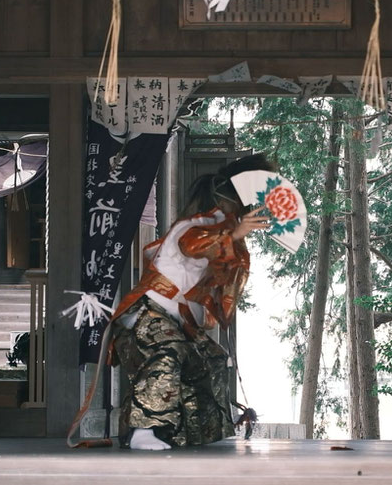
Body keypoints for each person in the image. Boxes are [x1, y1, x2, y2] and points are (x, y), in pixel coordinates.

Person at [109, 153, 275, 450]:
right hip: (150, 314)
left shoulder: (221, 231)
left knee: (209, 359)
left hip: (177, 319)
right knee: (168, 351)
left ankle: (190, 434)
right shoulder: (197, 225)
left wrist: (233, 239)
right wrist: (233, 233)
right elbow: (193, 245)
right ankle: (142, 430)